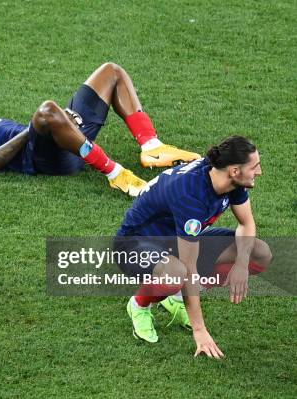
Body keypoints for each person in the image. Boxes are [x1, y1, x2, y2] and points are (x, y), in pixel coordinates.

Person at [0, 62, 200, 196]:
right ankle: (115, 174)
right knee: (47, 111)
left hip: (62, 138)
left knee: (111, 72)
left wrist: (54, 125)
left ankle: (151, 147)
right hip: (43, 157)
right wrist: (33, 128)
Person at [114, 135, 272, 358]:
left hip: (177, 242)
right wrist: (200, 330)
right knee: (177, 274)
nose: (259, 172)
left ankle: (176, 299)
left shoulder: (228, 178)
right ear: (235, 171)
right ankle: (139, 305)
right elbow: (188, 268)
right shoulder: (191, 196)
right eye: (255, 167)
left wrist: (242, 263)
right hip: (134, 245)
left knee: (259, 253)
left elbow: (246, 223)